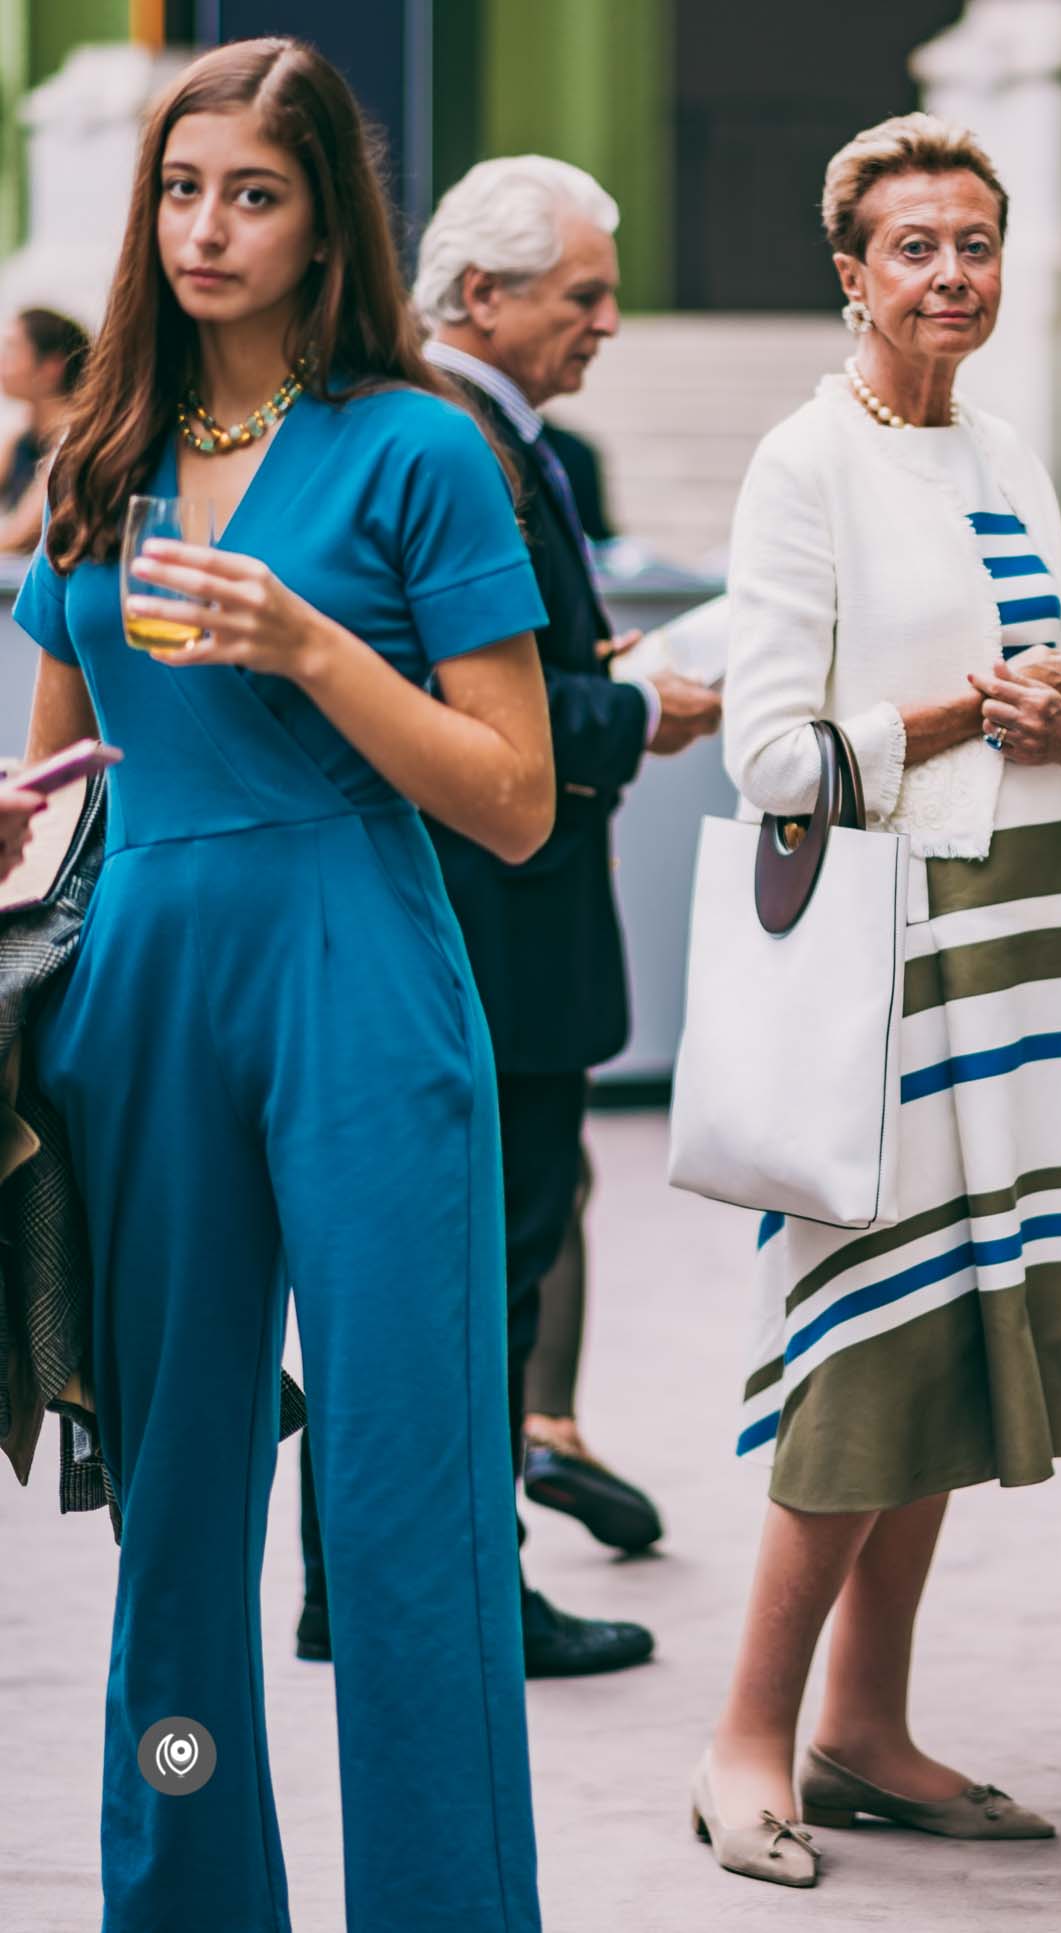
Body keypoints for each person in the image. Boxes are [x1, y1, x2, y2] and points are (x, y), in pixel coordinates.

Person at [16, 39, 551, 1930]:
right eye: (180, 190)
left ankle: (443, 1904)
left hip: (360, 984)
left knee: (408, 1519)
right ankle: (184, 1892)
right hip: (138, 997)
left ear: (329, 221)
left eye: (252, 192)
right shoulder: (99, 451)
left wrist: (315, 645)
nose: (206, 228)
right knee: (175, 1527)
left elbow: (512, 799)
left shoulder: (416, 447)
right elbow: (63, 777)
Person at [692, 113, 1061, 1891]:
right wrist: (953, 721)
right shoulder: (800, 464)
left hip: (1032, 937)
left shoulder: (1006, 450)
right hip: (890, 959)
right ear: (852, 270)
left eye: (976, 240)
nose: (954, 272)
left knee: (965, 1347)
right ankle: (747, 1735)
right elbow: (764, 754)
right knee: (862, 1352)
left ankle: (865, 1725)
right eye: (916, 245)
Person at [292, 155, 712, 1678]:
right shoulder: (452, 436)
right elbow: (469, 719)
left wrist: (596, 680)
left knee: (429, 1281)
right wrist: (638, 707)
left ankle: (364, 1585)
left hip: (472, 923)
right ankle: (470, 1596)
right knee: (474, 1286)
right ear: (482, 295)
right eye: (583, 293)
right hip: (493, 925)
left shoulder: (455, 427)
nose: (608, 321)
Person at [0, 307, 89, 551]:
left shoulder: (76, 439)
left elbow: (19, 536)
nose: (2, 361)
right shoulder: (21, 438)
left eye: (12, 349)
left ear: (51, 367)